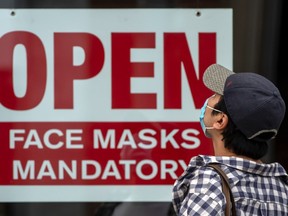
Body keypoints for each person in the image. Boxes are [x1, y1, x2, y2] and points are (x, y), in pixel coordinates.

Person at [172, 64, 288, 215]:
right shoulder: (280, 187)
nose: (208, 99)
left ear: (220, 121)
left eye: (215, 95)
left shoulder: (210, 183)